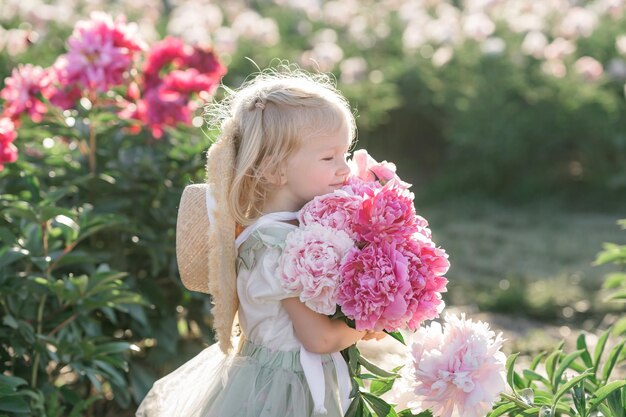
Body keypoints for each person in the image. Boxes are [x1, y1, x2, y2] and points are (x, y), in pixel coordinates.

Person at [136, 66, 386, 417]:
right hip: (285, 392)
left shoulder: (281, 229)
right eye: (329, 157)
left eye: (344, 154)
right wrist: (372, 320)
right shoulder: (281, 246)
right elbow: (320, 339)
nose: (344, 169)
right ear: (274, 170)